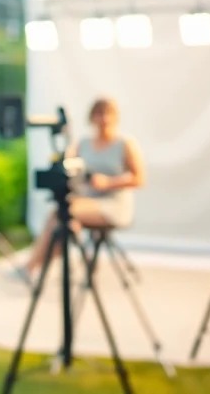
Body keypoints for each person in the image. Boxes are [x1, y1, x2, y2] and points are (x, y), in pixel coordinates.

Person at [21, 97, 146, 280]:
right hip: (87, 200)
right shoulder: (84, 144)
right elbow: (69, 164)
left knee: (65, 215)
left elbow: (139, 179)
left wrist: (108, 182)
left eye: (107, 114)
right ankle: (68, 260)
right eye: (98, 113)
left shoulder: (125, 144)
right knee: (63, 220)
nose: (103, 119)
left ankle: (32, 266)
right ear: (92, 117)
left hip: (113, 204)